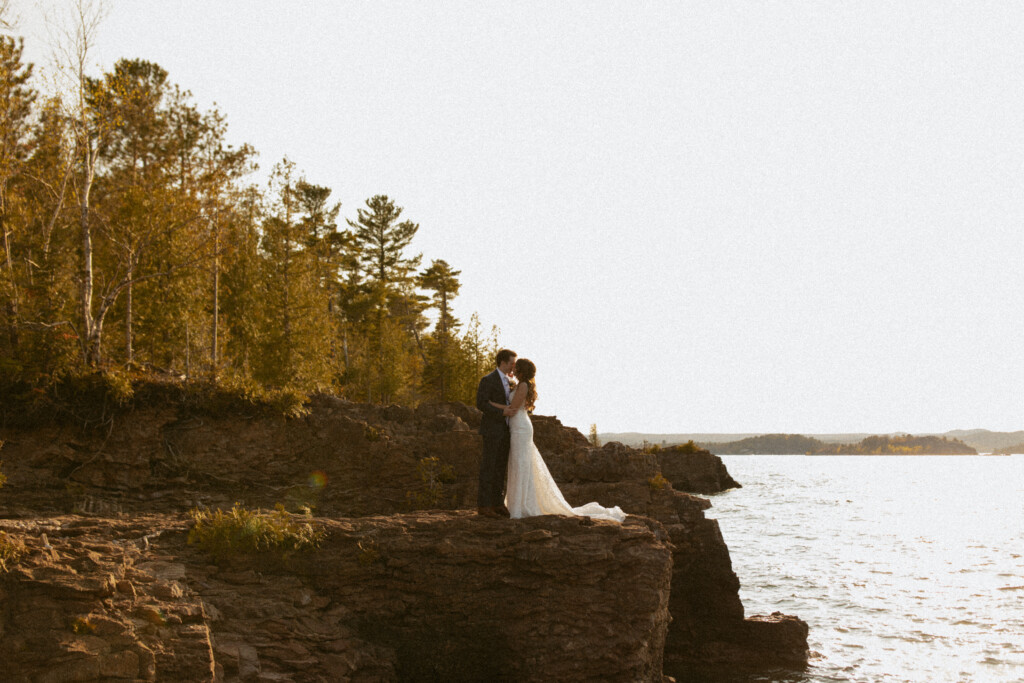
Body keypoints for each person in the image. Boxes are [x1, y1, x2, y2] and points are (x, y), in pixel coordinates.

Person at [492, 358, 626, 522]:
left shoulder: (523, 386)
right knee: (519, 463)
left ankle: (520, 506)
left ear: (521, 370)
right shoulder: (521, 385)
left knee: (520, 463)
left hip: (520, 428)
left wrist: (492, 405)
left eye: (516, 367)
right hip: (517, 427)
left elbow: (513, 409)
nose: (513, 369)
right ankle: (518, 503)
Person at [475, 349, 517, 518]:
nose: (514, 366)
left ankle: (497, 503)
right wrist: (501, 412)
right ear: (503, 362)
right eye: (512, 363)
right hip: (492, 429)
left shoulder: (510, 381)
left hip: (506, 430)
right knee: (488, 467)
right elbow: (481, 403)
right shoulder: (488, 380)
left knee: (500, 468)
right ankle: (484, 505)